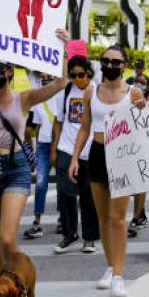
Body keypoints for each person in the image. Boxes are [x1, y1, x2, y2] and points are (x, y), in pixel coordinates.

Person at [0, 45, 68, 273]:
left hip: (16, 168)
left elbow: (60, 84)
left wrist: (63, 49)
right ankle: (5, 286)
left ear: (9, 72)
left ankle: (24, 277)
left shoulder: (23, 98)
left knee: (6, 238)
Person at [69, 45, 146, 297]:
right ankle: (110, 265)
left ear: (124, 65)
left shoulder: (133, 93)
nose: (110, 65)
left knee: (117, 218)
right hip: (97, 154)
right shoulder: (91, 91)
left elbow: (145, 128)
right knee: (102, 218)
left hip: (122, 156)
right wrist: (74, 158)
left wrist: (142, 110)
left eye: (116, 62)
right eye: (106, 60)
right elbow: (84, 128)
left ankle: (119, 275)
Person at [50, 56, 100, 254]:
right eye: (73, 75)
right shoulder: (65, 91)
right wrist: (54, 146)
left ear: (89, 72)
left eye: (81, 75)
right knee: (65, 194)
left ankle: (89, 238)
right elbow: (58, 121)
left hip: (89, 151)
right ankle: (69, 234)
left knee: (88, 197)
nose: (77, 79)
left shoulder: (97, 90)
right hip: (66, 148)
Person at [22, 72, 64, 240]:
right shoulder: (38, 97)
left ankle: (63, 218)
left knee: (62, 184)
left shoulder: (63, 94)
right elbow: (34, 126)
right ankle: (37, 222)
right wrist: (31, 149)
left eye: (49, 75)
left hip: (61, 145)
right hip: (42, 146)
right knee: (40, 184)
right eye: (43, 75)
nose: (46, 77)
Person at [126, 59, 149, 232]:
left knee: (140, 178)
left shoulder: (148, 81)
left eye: (141, 67)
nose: (139, 70)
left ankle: (138, 215)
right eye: (136, 67)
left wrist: (146, 87)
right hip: (128, 131)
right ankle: (140, 213)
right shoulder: (128, 82)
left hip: (142, 130)